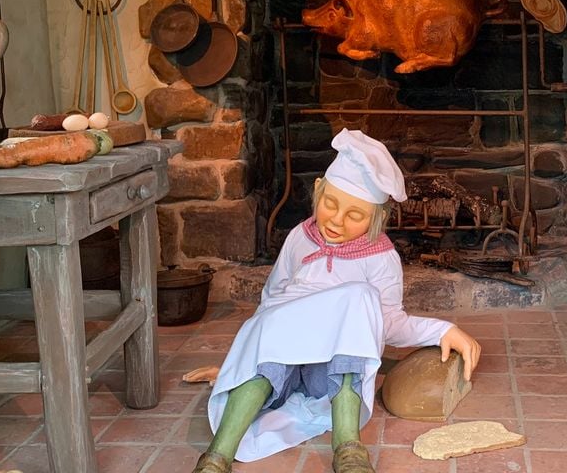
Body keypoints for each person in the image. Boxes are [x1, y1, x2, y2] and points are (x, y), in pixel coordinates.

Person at [193, 129, 482, 473]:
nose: (337, 220)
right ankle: (216, 457)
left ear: (378, 218)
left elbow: (387, 322)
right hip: (284, 368)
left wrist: (442, 330)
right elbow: (270, 303)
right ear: (318, 189)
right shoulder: (299, 237)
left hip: (328, 375)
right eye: (330, 204)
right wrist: (236, 365)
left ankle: (348, 450)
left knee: (359, 298)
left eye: (355, 215)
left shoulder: (380, 258)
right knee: (265, 356)